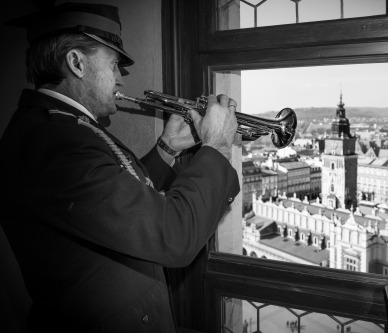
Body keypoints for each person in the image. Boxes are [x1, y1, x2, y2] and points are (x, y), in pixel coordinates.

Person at [0, 3, 239, 333]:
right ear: (76, 63)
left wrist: (167, 148)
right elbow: (174, 234)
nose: (120, 77)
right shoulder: (53, 142)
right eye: (114, 65)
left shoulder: (66, 127)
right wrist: (217, 146)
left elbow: (119, 203)